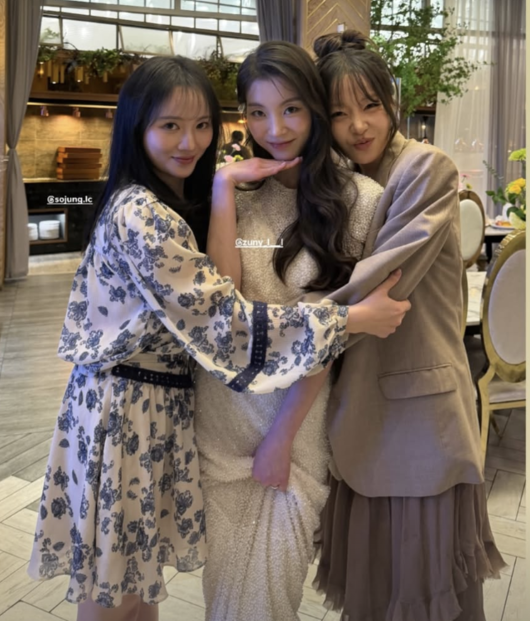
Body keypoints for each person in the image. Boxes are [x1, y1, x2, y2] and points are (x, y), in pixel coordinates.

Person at [27, 55, 409, 621]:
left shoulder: (344, 201)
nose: (190, 142)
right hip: (129, 412)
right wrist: (350, 319)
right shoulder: (145, 214)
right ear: (137, 127)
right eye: (170, 125)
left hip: (177, 413)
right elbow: (225, 324)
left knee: (140, 590)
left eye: (201, 124)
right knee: (116, 596)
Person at [193, 42, 409, 621]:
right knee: (224, 597)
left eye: (291, 109)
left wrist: (281, 438)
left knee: (268, 598)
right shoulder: (237, 192)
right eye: (257, 113)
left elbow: (333, 336)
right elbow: (223, 304)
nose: (275, 128)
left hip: (292, 425)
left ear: (313, 108)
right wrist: (224, 188)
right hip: (221, 417)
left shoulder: (359, 200)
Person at [308, 30, 506, 621]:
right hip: (358, 409)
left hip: (418, 414)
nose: (358, 125)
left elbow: (382, 279)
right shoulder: (338, 180)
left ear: (391, 101)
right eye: (338, 113)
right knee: (377, 589)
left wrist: (287, 332)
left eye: (370, 105)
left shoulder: (426, 168)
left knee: (423, 592)